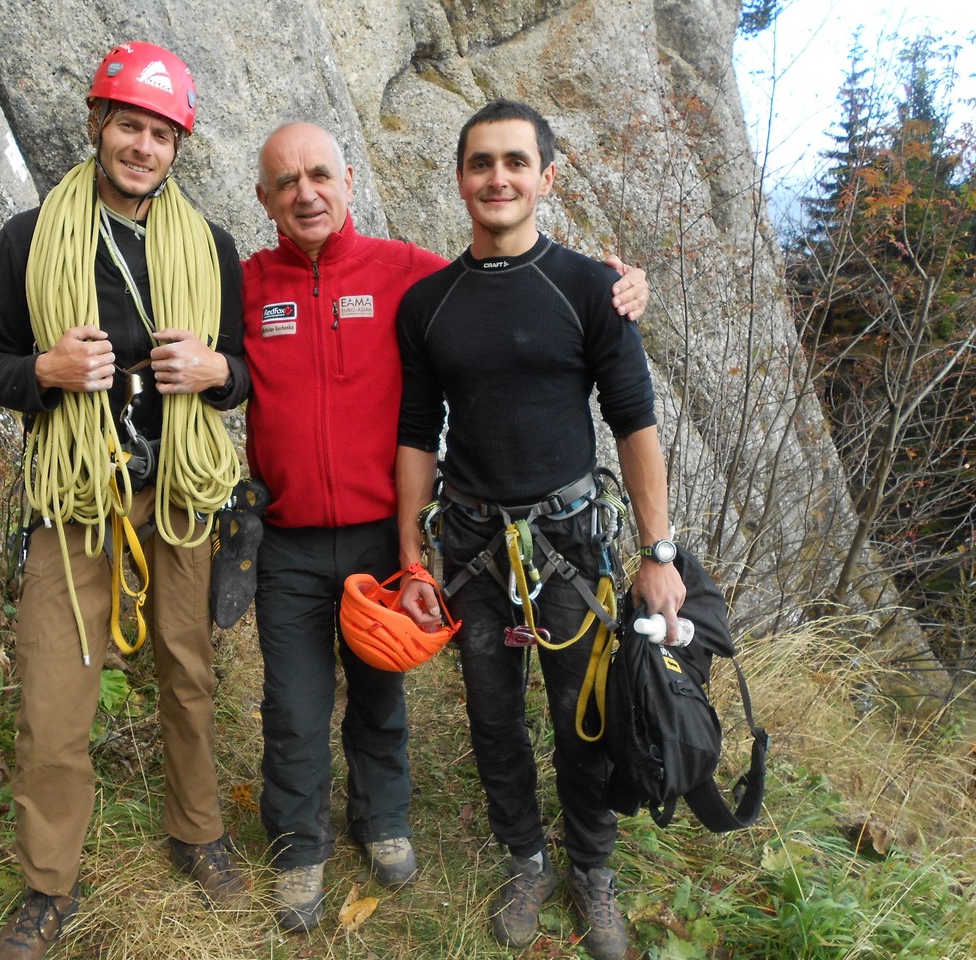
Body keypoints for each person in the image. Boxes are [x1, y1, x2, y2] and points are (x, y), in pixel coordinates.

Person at [240, 121, 650, 932]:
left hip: (469, 533)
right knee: (314, 705)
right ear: (264, 198)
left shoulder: (404, 274)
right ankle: (313, 849)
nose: (306, 193)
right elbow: (416, 421)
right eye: (287, 182)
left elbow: (511, 284)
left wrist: (621, 280)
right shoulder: (251, 282)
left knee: (414, 694)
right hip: (322, 535)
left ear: (349, 181)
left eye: (321, 175)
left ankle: (411, 826)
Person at [0, 42, 251, 960]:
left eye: (161, 133)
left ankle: (198, 830)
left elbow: (242, 371)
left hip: (176, 489)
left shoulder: (211, 248)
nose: (143, 146)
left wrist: (216, 372)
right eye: (129, 124)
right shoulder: (31, 236)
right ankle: (47, 886)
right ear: (97, 125)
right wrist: (44, 372)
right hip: (76, 493)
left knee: (189, 672)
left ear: (179, 146)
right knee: (55, 691)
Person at [394, 99, 686, 960]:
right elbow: (417, 431)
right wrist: (412, 555)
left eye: (515, 163)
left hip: (567, 546)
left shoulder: (593, 289)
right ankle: (526, 858)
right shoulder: (430, 305)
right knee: (492, 716)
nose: (497, 178)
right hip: (473, 549)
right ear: (459, 179)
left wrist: (657, 553)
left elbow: (635, 423)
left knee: (580, 715)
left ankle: (592, 873)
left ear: (545, 178)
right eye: (481, 163)